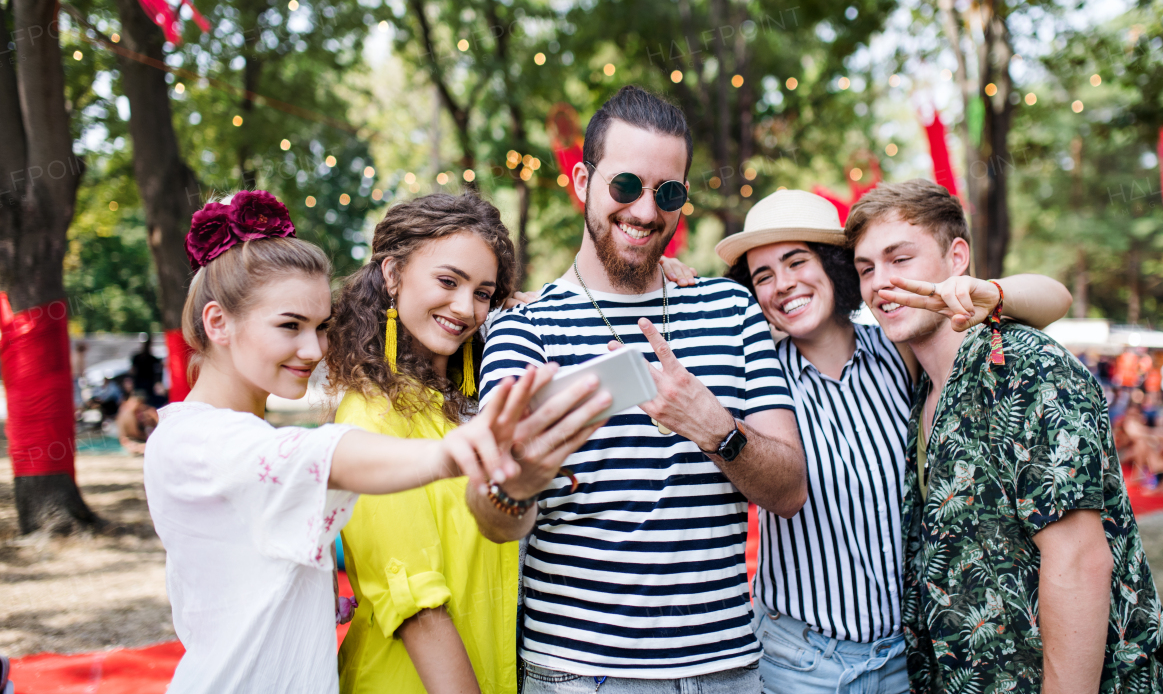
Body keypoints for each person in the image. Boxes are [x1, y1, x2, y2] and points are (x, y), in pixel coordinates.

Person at [471, 86, 806, 693]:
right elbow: (495, 518)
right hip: (580, 674)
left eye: (668, 192)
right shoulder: (525, 326)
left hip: (725, 671)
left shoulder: (731, 310)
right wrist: (518, 481)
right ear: (582, 183)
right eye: (626, 186)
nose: (647, 212)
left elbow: (788, 490)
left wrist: (715, 428)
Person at [144, 190, 535, 694]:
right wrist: (453, 453)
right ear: (217, 322)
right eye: (290, 326)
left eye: (322, 327)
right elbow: (329, 455)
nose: (314, 349)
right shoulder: (197, 441)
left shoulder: (249, 436)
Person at [708, 188, 1071, 694]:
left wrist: (984, 292)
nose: (782, 284)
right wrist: (677, 280)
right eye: (762, 275)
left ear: (836, 267)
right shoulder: (756, 378)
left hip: (909, 658)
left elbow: (1054, 299)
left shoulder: (900, 351)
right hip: (797, 664)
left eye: (795, 262)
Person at [846, 179, 1163, 693]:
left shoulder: (1020, 366)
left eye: (899, 259)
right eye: (866, 269)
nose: (880, 283)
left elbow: (1079, 558)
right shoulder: (918, 390)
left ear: (957, 258)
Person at [325, 193, 608, 694]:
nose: (465, 307)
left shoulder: (468, 404)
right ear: (392, 274)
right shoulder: (370, 416)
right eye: (448, 281)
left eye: (483, 292)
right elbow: (418, 609)